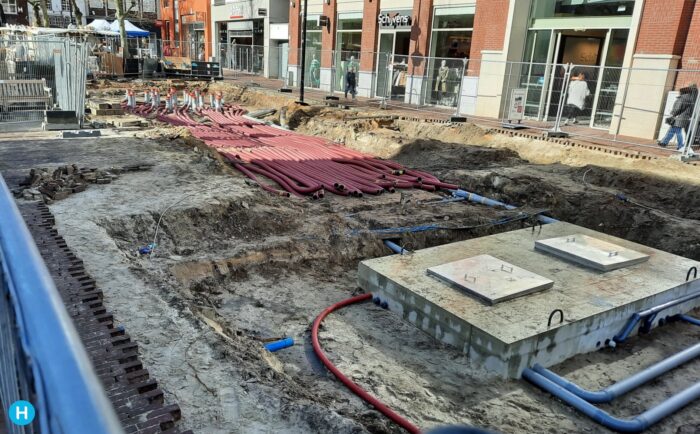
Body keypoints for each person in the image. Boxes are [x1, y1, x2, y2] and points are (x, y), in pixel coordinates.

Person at [658, 83, 698, 150]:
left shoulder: (683, 97)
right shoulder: (692, 97)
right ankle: (664, 142)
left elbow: (678, 108)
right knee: (672, 130)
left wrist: (672, 114)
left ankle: (680, 146)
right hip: (686, 117)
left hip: (679, 118)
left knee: (677, 132)